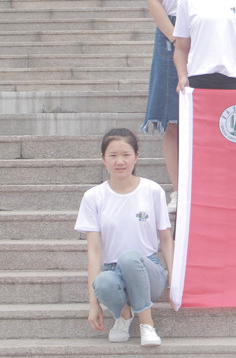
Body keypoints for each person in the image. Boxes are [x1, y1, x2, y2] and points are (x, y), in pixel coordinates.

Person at [139, 0, 212, 213]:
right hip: (170, 33)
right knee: (172, 118)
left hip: (211, 29)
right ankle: (179, 190)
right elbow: (154, 0)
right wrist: (176, 38)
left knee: (208, 115)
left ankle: (207, 185)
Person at [74, 128, 173, 347]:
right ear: (103, 159)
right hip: (113, 270)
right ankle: (124, 315)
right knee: (102, 282)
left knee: (129, 258)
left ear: (136, 157)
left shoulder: (152, 190)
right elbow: (94, 252)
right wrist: (94, 303)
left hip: (150, 271)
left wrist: (174, 283)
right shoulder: (93, 197)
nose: (120, 161)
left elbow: (166, 239)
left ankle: (147, 324)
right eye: (113, 155)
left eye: (126, 155)